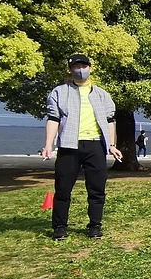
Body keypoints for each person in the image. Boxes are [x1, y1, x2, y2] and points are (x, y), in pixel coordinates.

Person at [41, 54, 123, 240]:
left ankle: (95, 226)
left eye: (84, 66)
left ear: (90, 68)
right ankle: (60, 227)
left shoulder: (102, 95)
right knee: (63, 189)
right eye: (76, 66)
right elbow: (53, 119)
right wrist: (48, 144)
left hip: (95, 145)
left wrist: (112, 145)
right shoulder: (59, 92)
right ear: (70, 69)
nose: (81, 70)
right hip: (69, 145)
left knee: (97, 189)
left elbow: (110, 121)